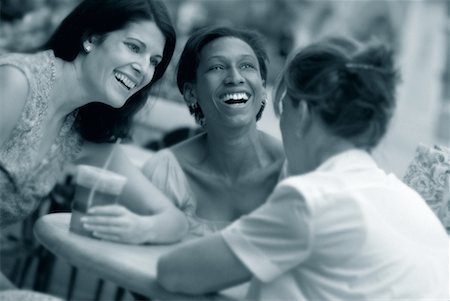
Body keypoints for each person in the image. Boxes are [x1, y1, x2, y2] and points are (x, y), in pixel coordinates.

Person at [156, 37, 449, 300]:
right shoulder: (407, 201)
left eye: (284, 107)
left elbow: (175, 273)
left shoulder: (312, 201)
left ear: (304, 114)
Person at [0, 0, 188, 295]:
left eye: (154, 61)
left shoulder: (81, 132)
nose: (143, 69)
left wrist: (138, 228)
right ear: (91, 38)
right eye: (134, 47)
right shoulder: (16, 82)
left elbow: (175, 220)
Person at [80, 26, 284, 240]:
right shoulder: (166, 174)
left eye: (247, 66)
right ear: (190, 93)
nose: (235, 77)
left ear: (262, 88)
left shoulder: (295, 170)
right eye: (217, 67)